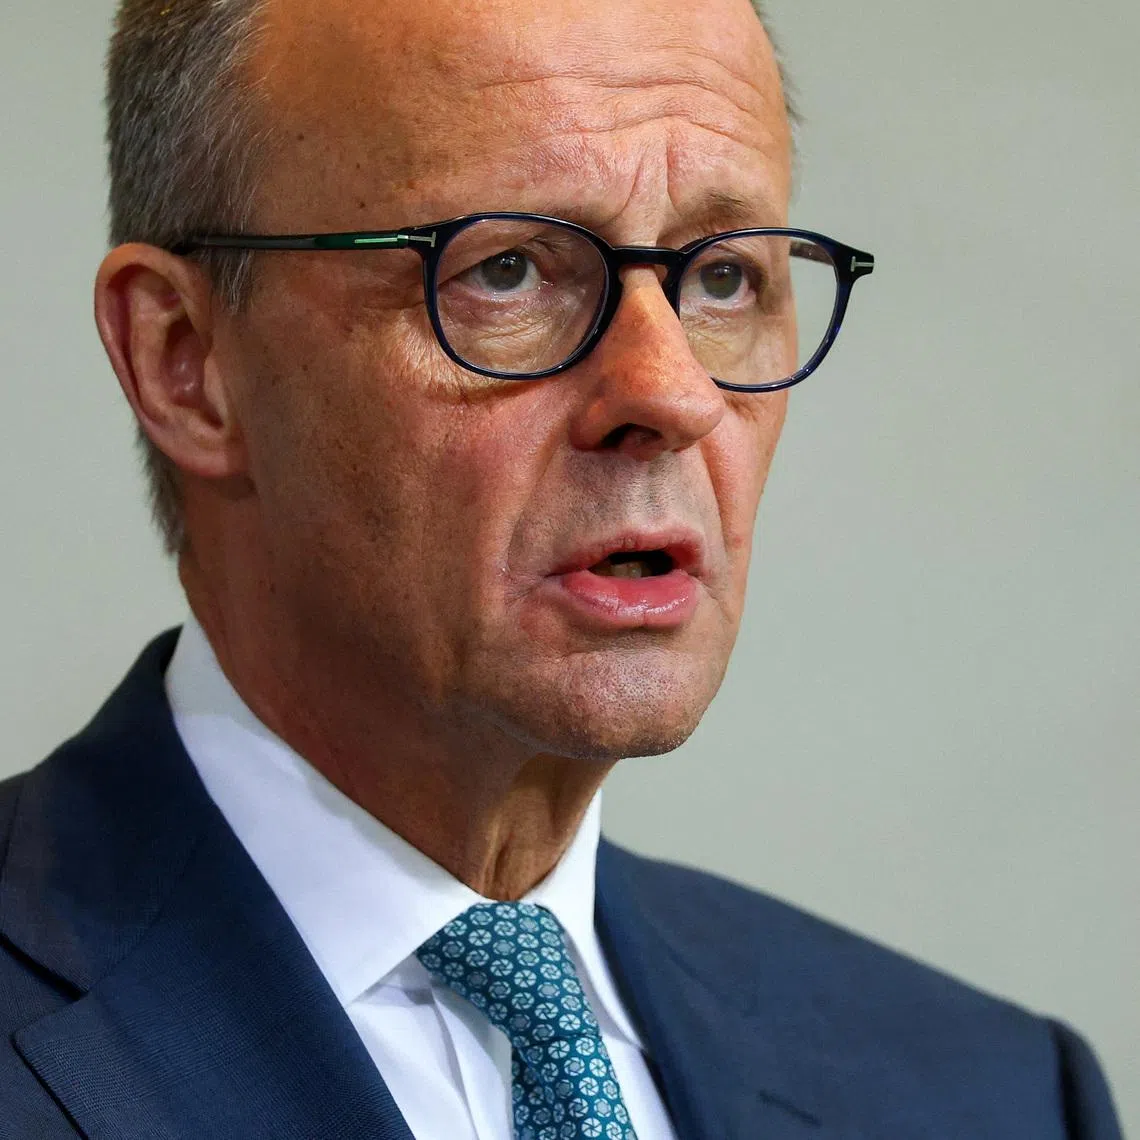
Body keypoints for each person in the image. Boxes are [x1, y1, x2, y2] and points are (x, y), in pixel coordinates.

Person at [0, 0, 1123, 1135]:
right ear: (182, 361)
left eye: (724, 278)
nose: (673, 394)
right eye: (509, 270)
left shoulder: (994, 1093)